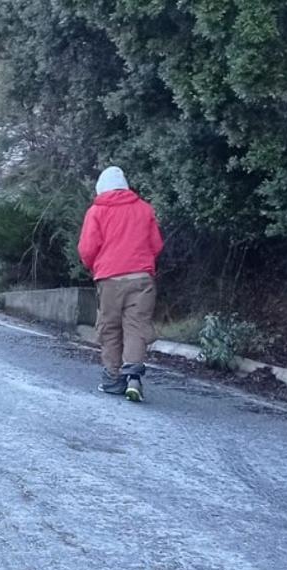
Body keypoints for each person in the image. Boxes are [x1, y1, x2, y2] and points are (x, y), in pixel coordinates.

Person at [77, 166, 164, 402]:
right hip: (142, 279)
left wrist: (96, 265)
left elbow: (86, 249)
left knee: (110, 328)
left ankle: (113, 380)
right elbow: (156, 245)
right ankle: (134, 378)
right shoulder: (145, 209)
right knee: (136, 327)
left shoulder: (96, 211)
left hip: (110, 279)